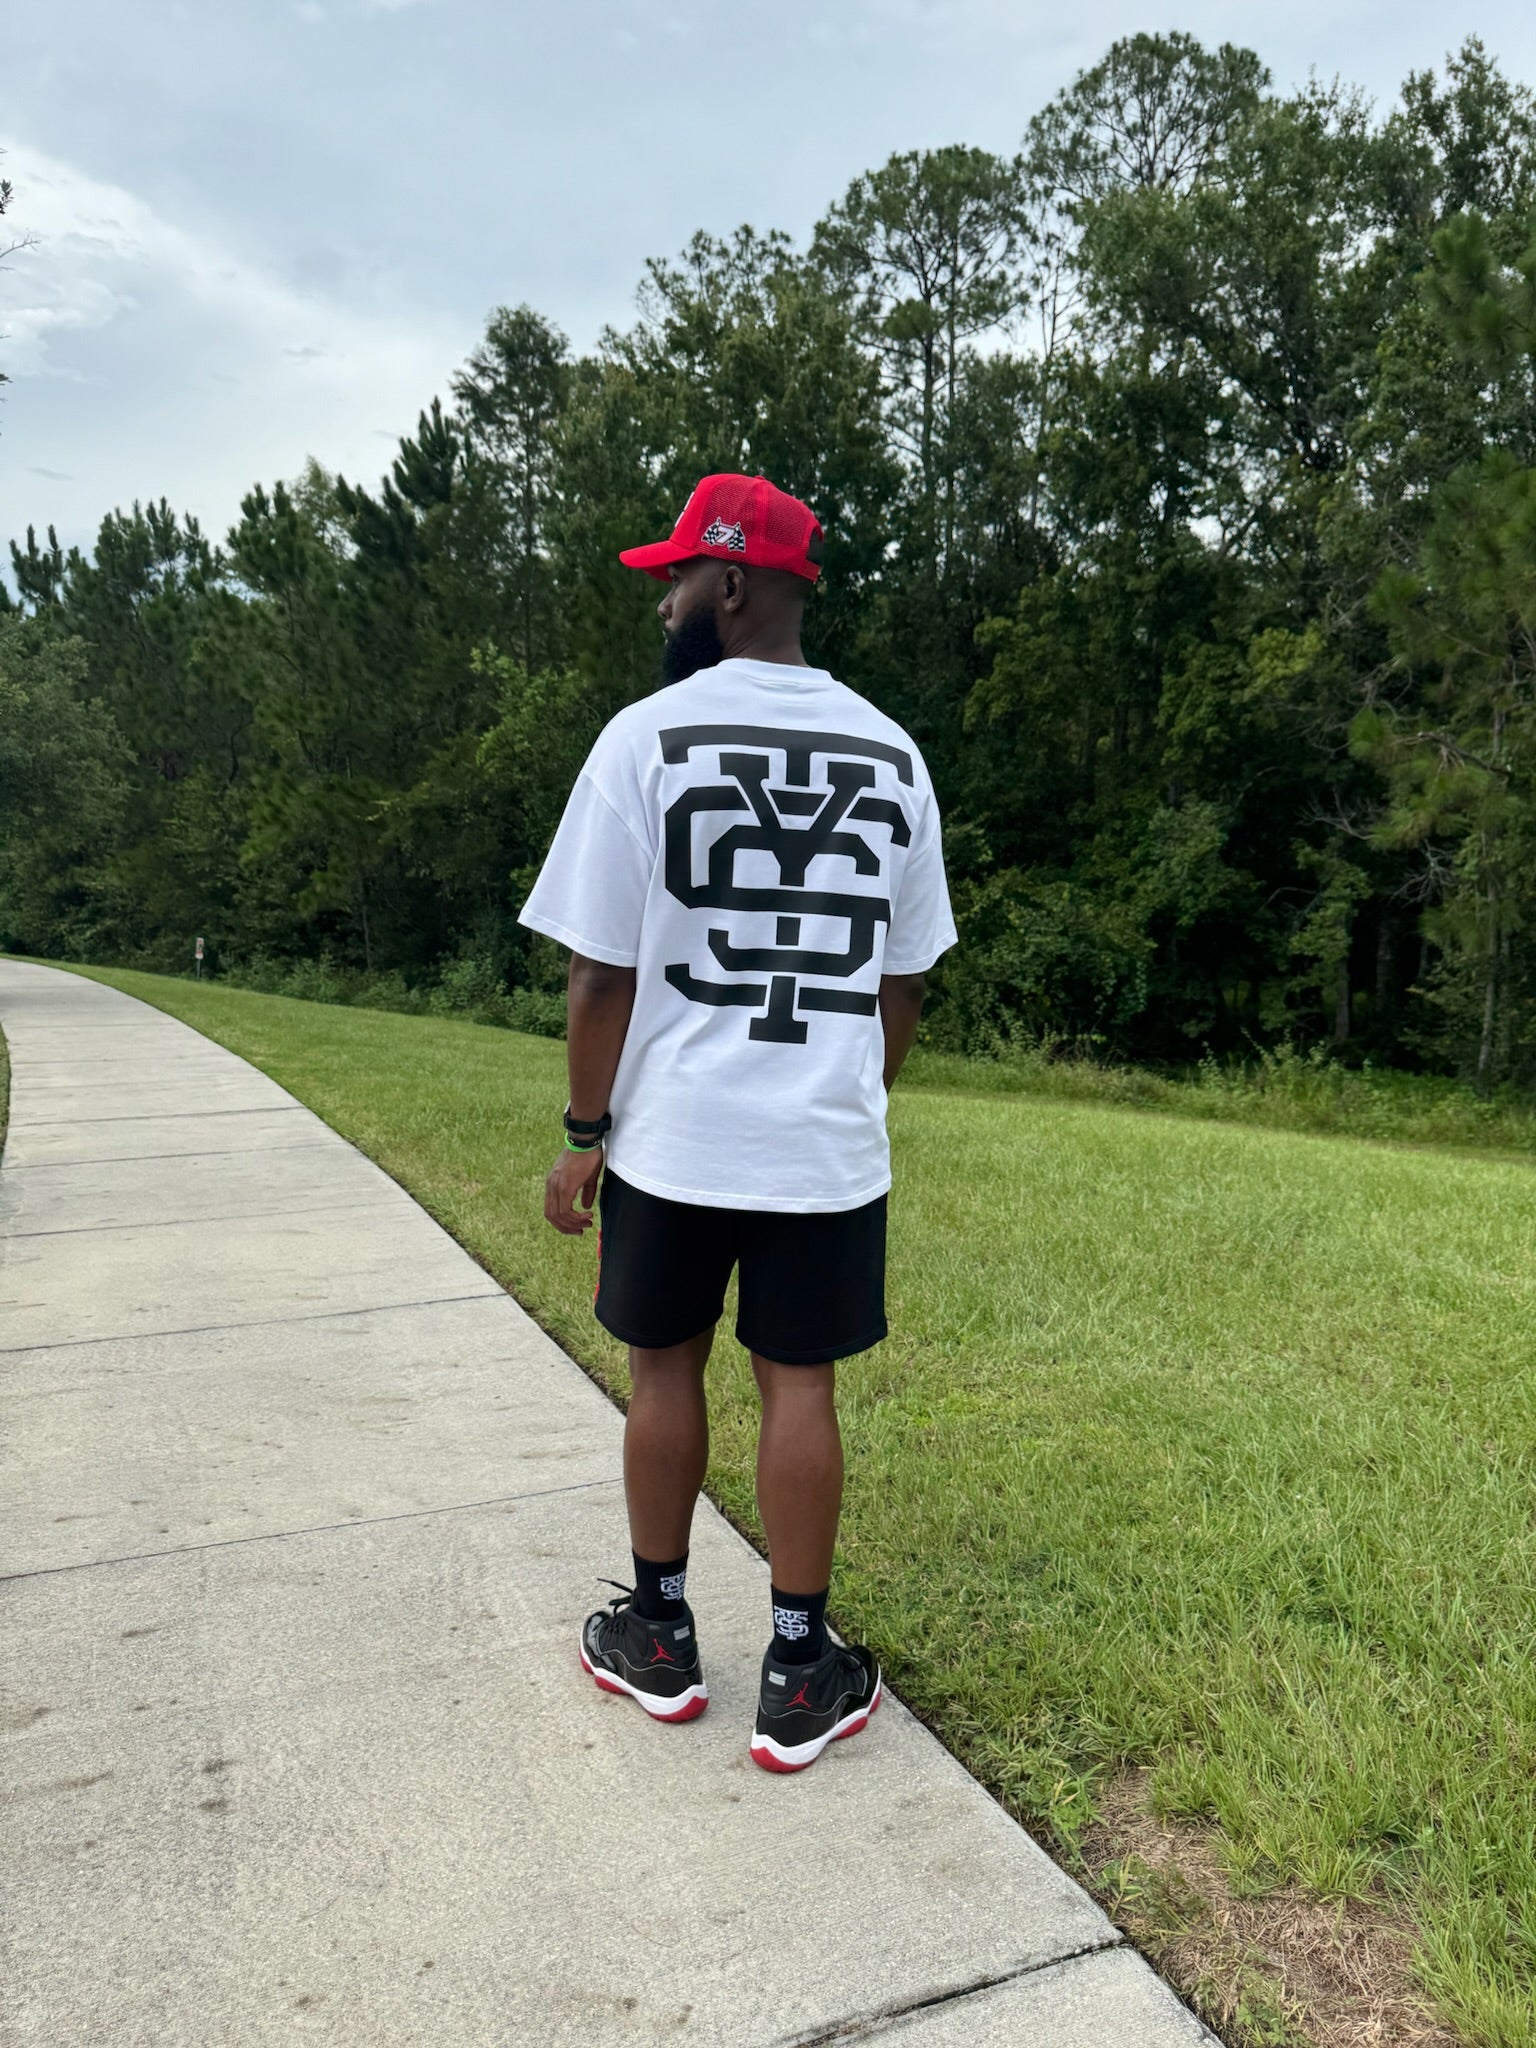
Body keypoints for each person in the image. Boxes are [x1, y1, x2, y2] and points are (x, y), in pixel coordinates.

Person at [519, 473, 955, 1773]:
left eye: (675, 576)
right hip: (820, 1142)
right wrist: (850, 1097)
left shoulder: (644, 740)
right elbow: (903, 981)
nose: (664, 599)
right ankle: (801, 1666)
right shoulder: (892, 752)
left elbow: (599, 975)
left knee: (664, 1371)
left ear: (731, 581)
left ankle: (657, 1637)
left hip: (673, 1135)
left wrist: (584, 1131)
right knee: (799, 1383)